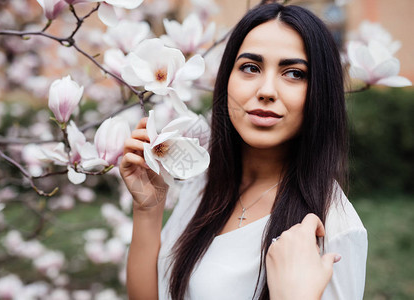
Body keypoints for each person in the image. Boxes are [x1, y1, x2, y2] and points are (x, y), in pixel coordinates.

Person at [120, 3, 367, 300]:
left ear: (320, 92)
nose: (266, 90)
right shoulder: (204, 186)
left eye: (294, 73)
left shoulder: (334, 229)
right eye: (250, 68)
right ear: (226, 79)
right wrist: (148, 210)